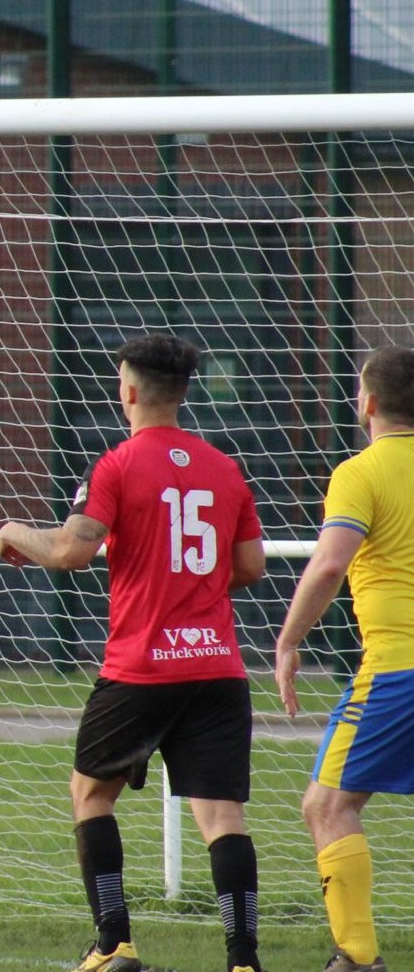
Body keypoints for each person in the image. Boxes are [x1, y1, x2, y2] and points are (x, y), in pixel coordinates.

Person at [0, 334, 266, 972]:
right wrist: (188, 584)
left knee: (90, 793)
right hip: (218, 667)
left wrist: (12, 533)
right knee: (223, 815)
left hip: (144, 666)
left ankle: (113, 943)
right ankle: (245, 960)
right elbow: (250, 565)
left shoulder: (117, 464)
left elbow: (69, 552)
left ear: (130, 390)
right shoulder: (224, 468)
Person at [273, 344, 414, 972]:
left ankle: (357, 959)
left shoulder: (361, 471)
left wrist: (289, 639)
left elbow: (331, 563)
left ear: (370, 401)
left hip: (399, 669)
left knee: (327, 805)